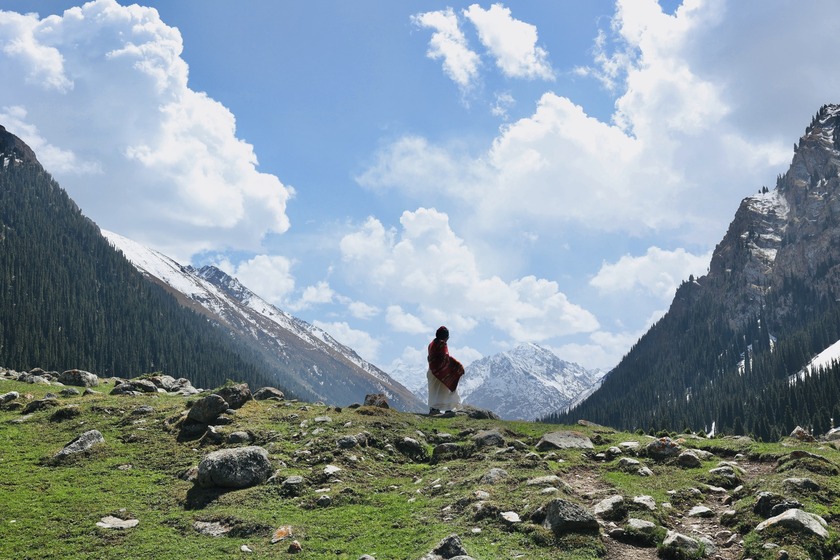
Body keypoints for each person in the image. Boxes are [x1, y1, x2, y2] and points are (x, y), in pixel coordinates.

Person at [427, 325, 464, 415]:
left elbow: (432, 358)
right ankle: (449, 408)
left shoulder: (431, 344)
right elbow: (444, 358)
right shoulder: (442, 344)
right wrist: (457, 365)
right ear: (445, 337)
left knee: (434, 391)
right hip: (441, 372)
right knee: (449, 388)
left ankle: (434, 409)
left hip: (432, 371)